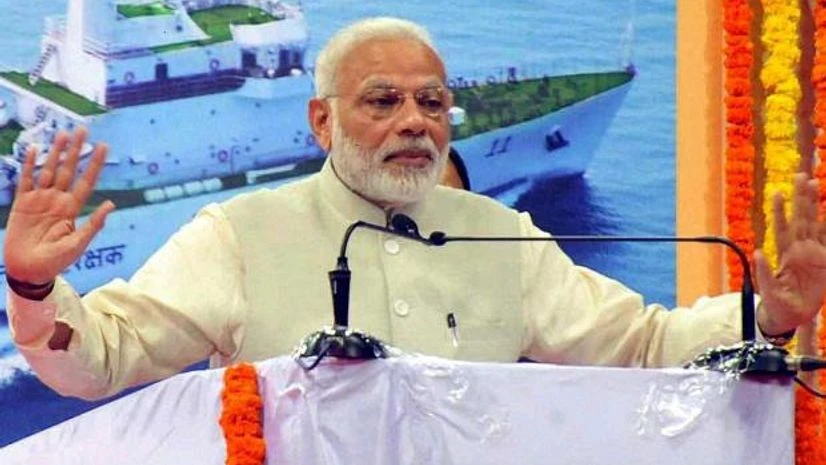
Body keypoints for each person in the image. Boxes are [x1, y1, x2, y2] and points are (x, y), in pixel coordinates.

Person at [5, 17, 826, 400]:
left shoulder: (503, 236)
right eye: (384, 99)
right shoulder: (239, 235)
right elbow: (101, 359)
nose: (415, 121)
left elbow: (645, 347)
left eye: (433, 102)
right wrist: (34, 289)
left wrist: (774, 313)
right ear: (321, 120)